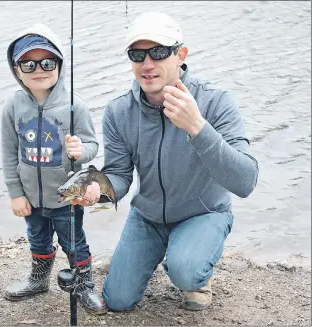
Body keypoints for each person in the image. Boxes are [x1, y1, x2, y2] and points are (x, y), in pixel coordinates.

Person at [72, 11, 259, 312]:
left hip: (204, 212)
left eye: (158, 52)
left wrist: (197, 128)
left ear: (180, 54)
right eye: (137, 54)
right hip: (148, 217)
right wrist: (98, 190)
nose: (147, 64)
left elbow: (246, 181)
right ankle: (162, 251)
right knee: (117, 300)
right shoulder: (118, 112)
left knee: (185, 269)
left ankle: (195, 271)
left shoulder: (216, 101)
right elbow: (119, 174)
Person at [1, 23, 108, 314]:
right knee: (37, 238)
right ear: (16, 68)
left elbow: (92, 145)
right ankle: (38, 279)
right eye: (28, 63)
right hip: (30, 198)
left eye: (48, 62)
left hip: (67, 197)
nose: (39, 69)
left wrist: (80, 150)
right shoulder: (12, 105)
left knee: (74, 244)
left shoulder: (75, 105)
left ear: (60, 64)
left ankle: (84, 285)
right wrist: (15, 193)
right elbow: (9, 152)